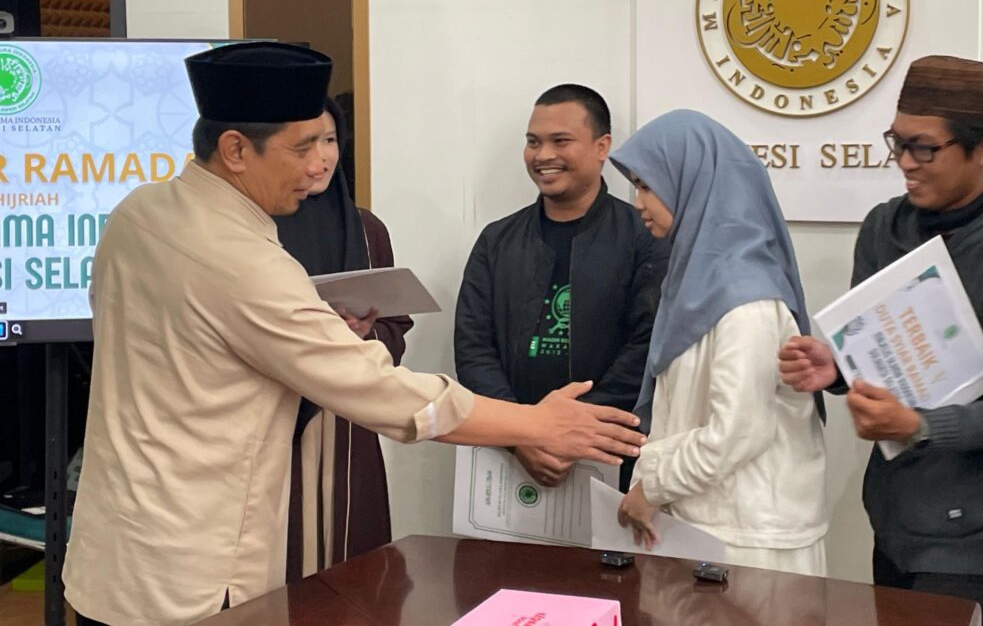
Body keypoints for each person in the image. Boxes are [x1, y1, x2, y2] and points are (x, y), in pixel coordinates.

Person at [62, 43, 645, 626]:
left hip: (112, 554)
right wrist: (537, 424)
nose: (316, 167)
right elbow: (383, 392)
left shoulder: (139, 211)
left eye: (326, 144)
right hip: (190, 573)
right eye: (300, 148)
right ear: (236, 149)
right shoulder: (238, 258)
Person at [779, 56, 983, 625]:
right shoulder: (884, 228)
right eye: (898, 143)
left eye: (925, 148)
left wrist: (918, 426)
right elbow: (876, 354)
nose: (906, 163)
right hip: (895, 519)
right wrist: (836, 367)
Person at [613, 109, 828, 576]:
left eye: (647, 186)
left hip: (751, 541)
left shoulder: (746, 299)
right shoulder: (698, 281)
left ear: (693, 183)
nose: (638, 202)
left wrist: (653, 487)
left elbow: (739, 432)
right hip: (709, 525)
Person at [454, 83, 667, 488]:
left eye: (560, 141)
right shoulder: (497, 241)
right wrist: (523, 433)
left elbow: (648, 348)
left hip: (609, 452)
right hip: (509, 453)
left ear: (602, 147)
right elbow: (473, 348)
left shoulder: (643, 237)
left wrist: (569, 431)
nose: (543, 155)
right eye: (533, 142)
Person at [275, 96, 408, 579]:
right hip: (277, 417)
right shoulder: (254, 232)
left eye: (330, 140)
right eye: (306, 144)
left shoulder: (368, 231)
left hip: (350, 427)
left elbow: (396, 328)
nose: (322, 156)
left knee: (354, 572)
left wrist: (366, 334)